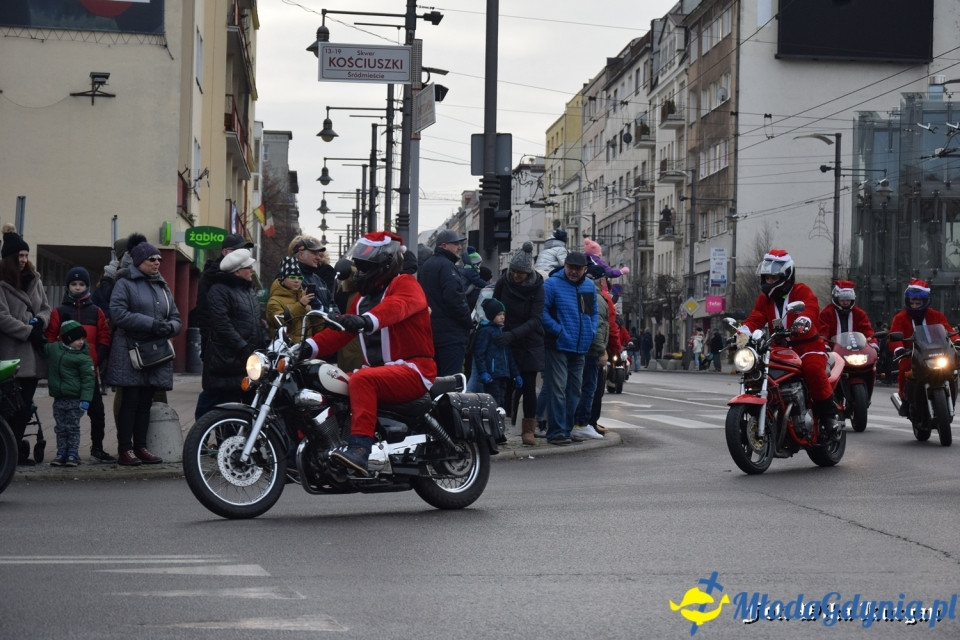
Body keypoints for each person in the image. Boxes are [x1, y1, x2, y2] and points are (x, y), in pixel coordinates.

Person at [301, 231, 436, 477]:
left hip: (413, 369)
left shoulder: (406, 284)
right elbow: (341, 331)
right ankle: (314, 449)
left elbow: (396, 308)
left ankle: (360, 449)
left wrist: (365, 320)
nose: (360, 271)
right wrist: (307, 347)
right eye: (359, 265)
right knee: (326, 383)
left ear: (385, 264)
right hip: (377, 371)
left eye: (366, 267)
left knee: (363, 380)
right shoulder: (363, 298)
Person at [739, 249, 839, 434]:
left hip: (807, 346)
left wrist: (804, 319)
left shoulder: (801, 290)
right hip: (779, 349)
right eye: (767, 277)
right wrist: (742, 332)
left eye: (774, 278)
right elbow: (756, 317)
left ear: (786, 276)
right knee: (759, 372)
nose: (769, 281)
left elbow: (810, 306)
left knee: (813, 370)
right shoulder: (764, 299)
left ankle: (829, 417)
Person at [105, 241, 181, 466]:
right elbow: (118, 313)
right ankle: (125, 449)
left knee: (146, 401)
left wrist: (170, 327)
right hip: (131, 351)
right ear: (139, 262)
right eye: (152, 259)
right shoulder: (125, 283)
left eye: (159, 259)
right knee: (130, 400)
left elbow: (175, 316)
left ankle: (141, 446)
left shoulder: (162, 285)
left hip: (155, 352)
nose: (157, 262)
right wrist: (152, 324)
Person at [44, 266, 114, 463]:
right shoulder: (59, 311)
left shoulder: (96, 311)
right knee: (64, 417)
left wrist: (97, 359)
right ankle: (64, 451)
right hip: (66, 375)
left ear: (87, 286)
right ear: (68, 286)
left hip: (88, 372)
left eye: (81, 284)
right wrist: (59, 360)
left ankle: (97, 448)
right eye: (74, 284)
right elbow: (51, 338)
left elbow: (104, 337)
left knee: (97, 413)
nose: (77, 287)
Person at [0, 223, 51, 465]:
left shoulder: (34, 279)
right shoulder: (1, 282)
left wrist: (40, 321)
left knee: (24, 408)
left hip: (32, 355)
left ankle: (16, 454)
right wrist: (29, 332)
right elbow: (2, 317)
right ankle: (6, 454)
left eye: (26, 255)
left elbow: (46, 308)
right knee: (8, 408)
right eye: (19, 255)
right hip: (10, 352)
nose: (23, 260)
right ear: (9, 257)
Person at [195, 248, 267, 418]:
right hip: (225, 360)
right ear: (237, 271)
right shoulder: (219, 290)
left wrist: (263, 344)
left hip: (246, 361)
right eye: (248, 267)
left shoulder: (249, 291)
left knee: (245, 409)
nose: (252, 270)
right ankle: (202, 432)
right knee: (222, 405)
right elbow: (222, 325)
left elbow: (256, 323)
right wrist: (243, 347)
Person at [541, 251, 598, 445]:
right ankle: (556, 432)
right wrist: (557, 330)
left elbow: (592, 312)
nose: (573, 272)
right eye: (570, 267)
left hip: (580, 346)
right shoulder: (551, 284)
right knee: (558, 389)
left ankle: (566, 429)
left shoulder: (588, 286)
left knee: (574, 391)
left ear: (585, 269)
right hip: (558, 345)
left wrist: (591, 331)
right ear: (564, 266)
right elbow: (542, 311)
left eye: (577, 269)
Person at [492, 242, 544, 445]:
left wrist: (513, 335)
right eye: (513, 271)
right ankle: (499, 429)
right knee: (503, 385)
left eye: (520, 273)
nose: (515, 275)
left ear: (528, 272)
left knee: (528, 386)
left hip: (529, 341)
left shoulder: (537, 287)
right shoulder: (503, 282)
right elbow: (494, 305)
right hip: (506, 338)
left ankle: (528, 430)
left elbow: (536, 319)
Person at [888, 279, 959, 416]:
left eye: (918, 303)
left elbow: (948, 330)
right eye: (912, 303)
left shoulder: (936, 315)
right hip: (912, 354)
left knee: (952, 369)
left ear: (925, 301)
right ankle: (905, 399)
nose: (915, 306)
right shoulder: (900, 317)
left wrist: (957, 340)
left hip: (938, 352)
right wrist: (899, 349)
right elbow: (894, 335)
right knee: (905, 368)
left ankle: (950, 395)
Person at [418, 228, 472, 376]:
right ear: (444, 246)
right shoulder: (447, 267)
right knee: (451, 380)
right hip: (451, 335)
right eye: (456, 244)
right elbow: (455, 298)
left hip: (432, 334)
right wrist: (468, 321)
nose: (459, 248)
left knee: (435, 379)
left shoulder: (427, 266)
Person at [43, 321, 95, 467]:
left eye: (83, 339)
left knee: (72, 427)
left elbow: (88, 380)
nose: (81, 342)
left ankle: (72, 453)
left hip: (75, 400)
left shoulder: (83, 358)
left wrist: (85, 399)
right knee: (60, 427)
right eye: (77, 339)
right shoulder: (54, 349)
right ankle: (61, 453)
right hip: (59, 398)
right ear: (67, 339)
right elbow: (42, 345)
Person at [572, 265, 613, 440]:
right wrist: (601, 351)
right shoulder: (597, 298)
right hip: (590, 351)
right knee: (589, 387)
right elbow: (597, 327)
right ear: (601, 280)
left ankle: (577, 422)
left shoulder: (581, 293)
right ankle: (582, 424)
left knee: (578, 386)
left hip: (580, 347)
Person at [472, 298, 522, 408]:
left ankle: (499, 418)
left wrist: (516, 374)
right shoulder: (486, 331)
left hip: (503, 374)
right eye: (499, 314)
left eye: (503, 314)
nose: (502, 317)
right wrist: (483, 372)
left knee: (501, 401)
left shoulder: (502, 332)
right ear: (491, 315)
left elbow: (509, 355)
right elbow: (479, 353)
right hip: (492, 376)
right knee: (493, 401)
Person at [817, 280, 877, 346]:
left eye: (848, 300)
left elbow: (867, 330)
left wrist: (872, 342)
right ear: (836, 299)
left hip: (856, 349)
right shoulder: (827, 313)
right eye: (842, 300)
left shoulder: (859, 313)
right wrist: (824, 345)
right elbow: (823, 333)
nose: (845, 303)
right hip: (833, 349)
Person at [266, 257, 313, 339]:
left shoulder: (303, 297)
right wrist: (301, 305)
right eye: (292, 277)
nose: (297, 281)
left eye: (300, 277)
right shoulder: (274, 301)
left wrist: (317, 316)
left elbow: (316, 327)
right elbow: (281, 323)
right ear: (283, 279)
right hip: (287, 346)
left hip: (306, 345)